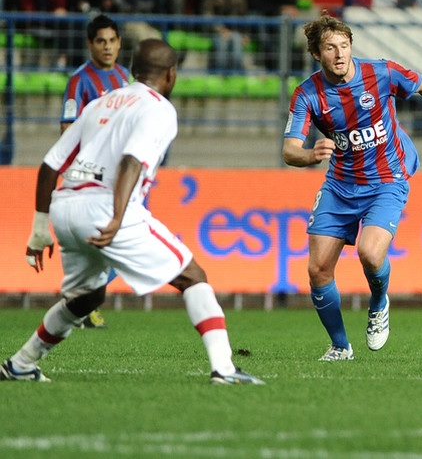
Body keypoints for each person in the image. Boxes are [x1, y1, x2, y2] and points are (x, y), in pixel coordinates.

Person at [2, 38, 264, 385]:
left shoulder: (99, 103)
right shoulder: (159, 108)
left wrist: (39, 229)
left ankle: (20, 364)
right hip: (105, 207)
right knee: (192, 276)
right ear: (171, 74)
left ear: (133, 70)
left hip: (65, 207)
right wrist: (116, 216)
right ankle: (225, 370)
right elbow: (132, 160)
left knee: (87, 297)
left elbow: (51, 164)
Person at [282, 14, 422, 361]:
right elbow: (289, 149)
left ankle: (379, 300)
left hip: (386, 180)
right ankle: (340, 346)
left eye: (344, 46)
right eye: (330, 48)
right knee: (318, 269)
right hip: (340, 185)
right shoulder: (307, 94)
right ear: (316, 54)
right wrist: (309, 155)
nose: (339, 54)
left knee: (370, 253)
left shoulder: (380, 72)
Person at [57, 14, 131, 329]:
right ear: (90, 44)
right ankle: (80, 301)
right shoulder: (80, 80)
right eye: (101, 41)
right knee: (110, 239)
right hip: (92, 176)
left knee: (121, 239)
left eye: (112, 40)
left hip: (121, 174)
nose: (107, 47)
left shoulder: (126, 77)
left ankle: (80, 298)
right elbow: (67, 126)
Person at [199, 0, 247, 72]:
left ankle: (236, 74)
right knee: (221, 41)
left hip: (234, 32)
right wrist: (221, 29)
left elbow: (242, 17)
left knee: (236, 40)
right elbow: (207, 17)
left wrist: (243, 34)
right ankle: (219, 74)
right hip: (214, 32)